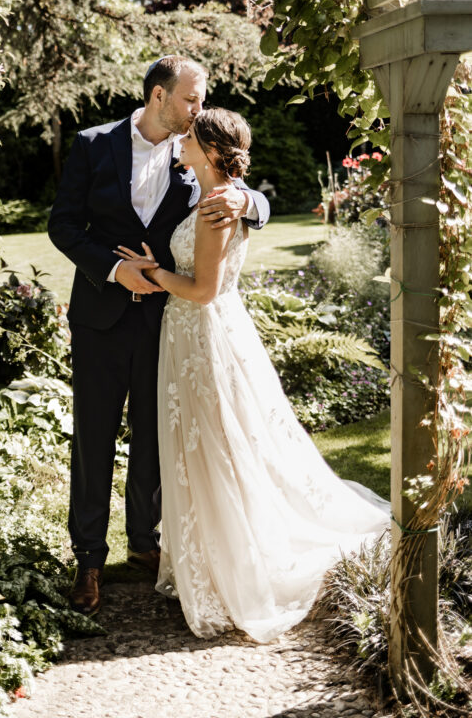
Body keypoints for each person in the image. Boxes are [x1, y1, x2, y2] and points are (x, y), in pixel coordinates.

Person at [115, 107, 389, 642]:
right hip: (194, 334)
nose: (180, 143)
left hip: (205, 333)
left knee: (217, 445)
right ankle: (214, 561)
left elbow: (203, 289)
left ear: (214, 152)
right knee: (208, 443)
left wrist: (152, 273)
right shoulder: (212, 196)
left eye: (189, 138)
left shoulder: (220, 204)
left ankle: (234, 570)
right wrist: (162, 262)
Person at [48, 57, 270, 616]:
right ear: (158, 97)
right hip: (99, 318)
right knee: (93, 438)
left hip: (164, 325)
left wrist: (249, 201)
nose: (199, 111)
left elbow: (248, 193)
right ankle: (89, 560)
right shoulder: (92, 144)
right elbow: (63, 226)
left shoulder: (193, 154)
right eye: (192, 100)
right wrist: (113, 270)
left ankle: (144, 544)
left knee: (154, 437)